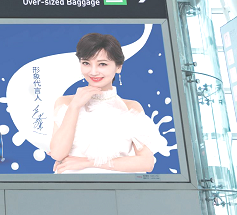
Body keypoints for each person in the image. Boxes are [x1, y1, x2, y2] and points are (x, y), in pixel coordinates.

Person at [49, 33, 169, 174]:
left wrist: (89, 162)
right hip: (71, 184)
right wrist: (75, 106)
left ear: (118, 67)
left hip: (116, 185)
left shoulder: (130, 107)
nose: (93, 72)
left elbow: (146, 163)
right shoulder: (66, 103)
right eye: (86, 63)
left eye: (102, 64)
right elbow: (57, 154)